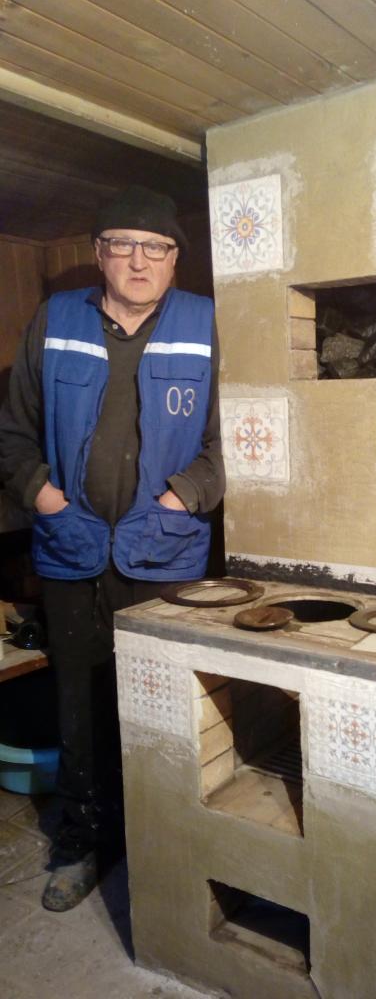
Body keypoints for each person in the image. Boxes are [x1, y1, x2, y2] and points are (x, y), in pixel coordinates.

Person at [0, 185, 225, 911]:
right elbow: (13, 433)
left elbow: (235, 441)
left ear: (174, 259)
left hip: (164, 552)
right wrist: (48, 501)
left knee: (166, 706)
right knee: (80, 705)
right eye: (122, 244)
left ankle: (164, 843)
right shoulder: (55, 320)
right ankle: (81, 842)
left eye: (155, 247)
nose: (138, 260)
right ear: (98, 254)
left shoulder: (206, 323)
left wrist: (178, 498)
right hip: (70, 548)